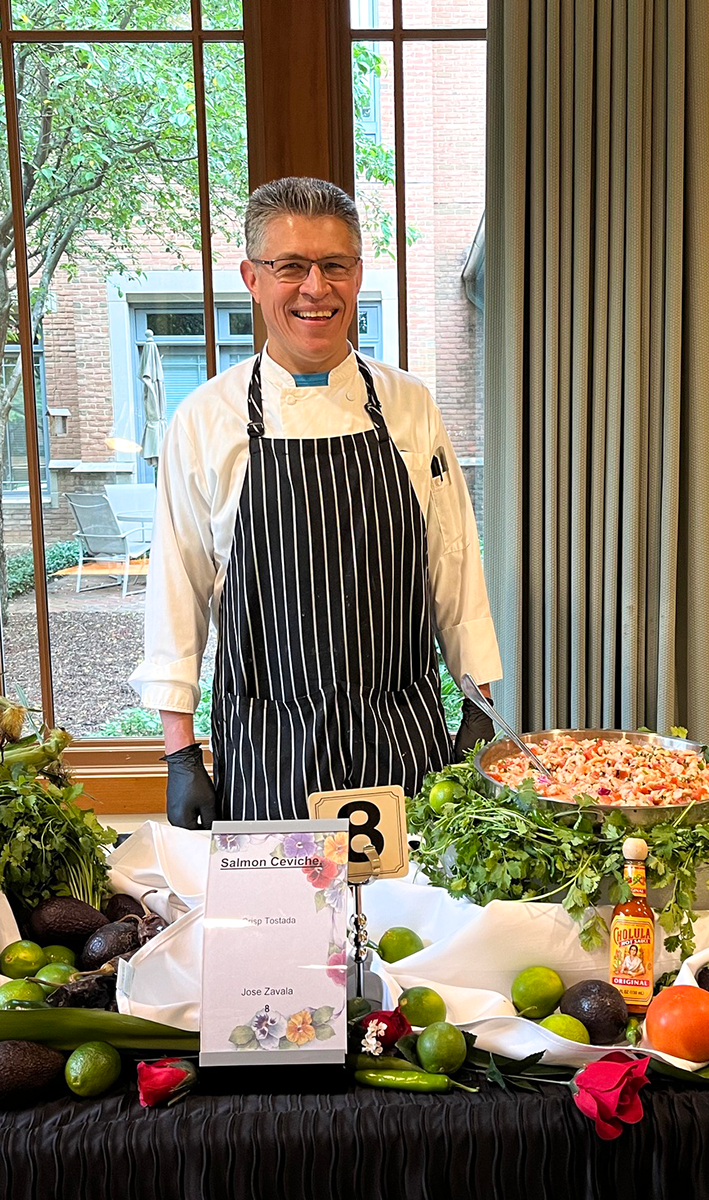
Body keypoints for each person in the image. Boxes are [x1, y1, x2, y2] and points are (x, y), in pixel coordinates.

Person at [130, 176, 502, 828]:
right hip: (268, 745)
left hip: (398, 737)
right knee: (278, 923)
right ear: (251, 277)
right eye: (289, 267)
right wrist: (180, 752)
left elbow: (454, 562)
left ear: (357, 275)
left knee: (405, 925)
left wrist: (478, 708)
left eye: (334, 265)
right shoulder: (204, 419)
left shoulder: (409, 405)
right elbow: (177, 588)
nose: (314, 287)